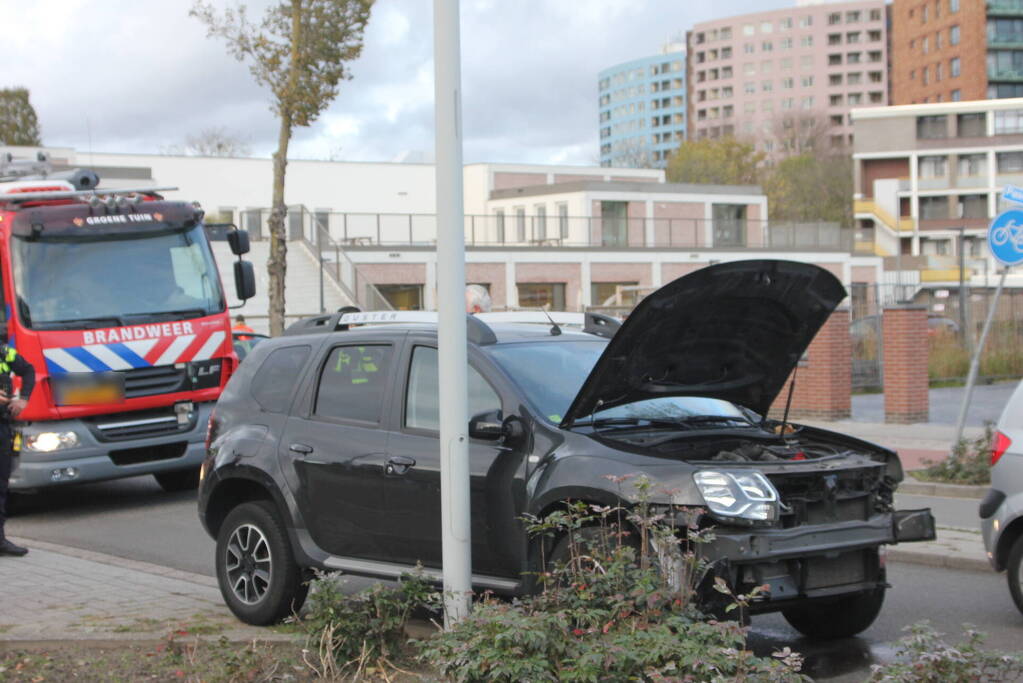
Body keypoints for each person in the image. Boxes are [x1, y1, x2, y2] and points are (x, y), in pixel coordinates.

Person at [0, 332, 36, 557]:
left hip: (2, 425)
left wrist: (23, 398)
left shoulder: (4, 351)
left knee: (1, 484)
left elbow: (29, 370)